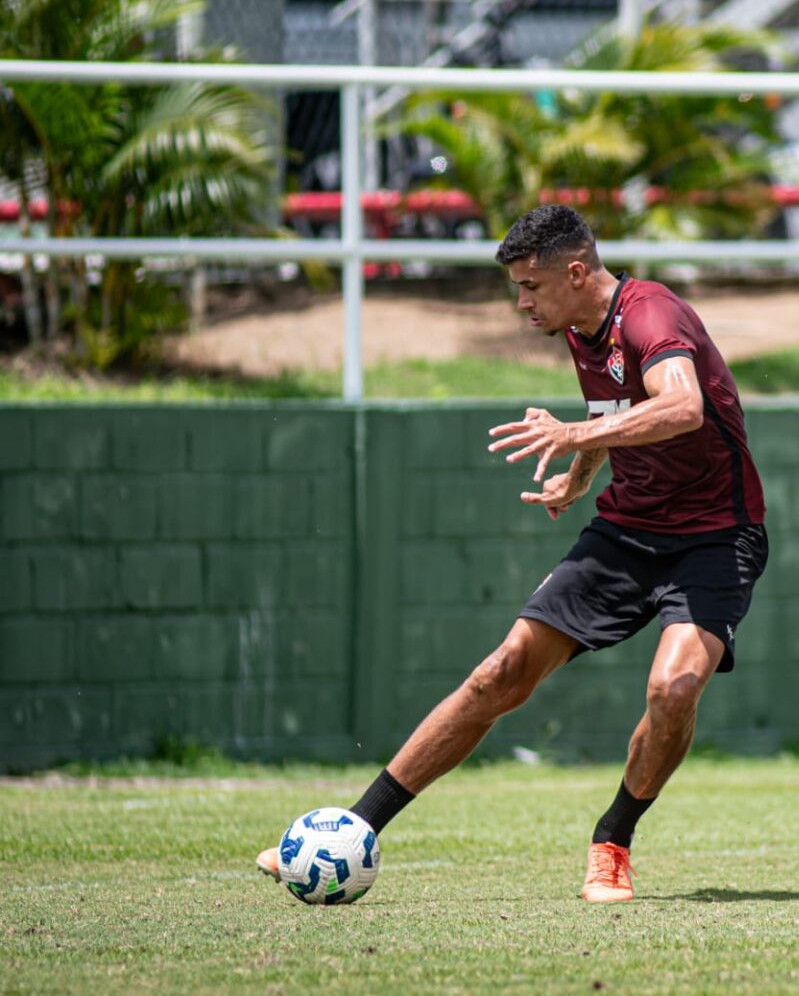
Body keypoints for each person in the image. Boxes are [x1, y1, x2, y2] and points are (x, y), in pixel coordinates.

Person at [256, 204, 769, 903]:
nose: (521, 302)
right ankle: (353, 828)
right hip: (627, 532)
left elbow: (681, 407)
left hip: (716, 535)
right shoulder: (582, 328)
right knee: (499, 672)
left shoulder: (651, 315)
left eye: (530, 286)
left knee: (674, 687)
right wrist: (578, 476)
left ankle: (612, 840)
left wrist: (571, 437)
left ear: (577, 272)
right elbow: (612, 417)